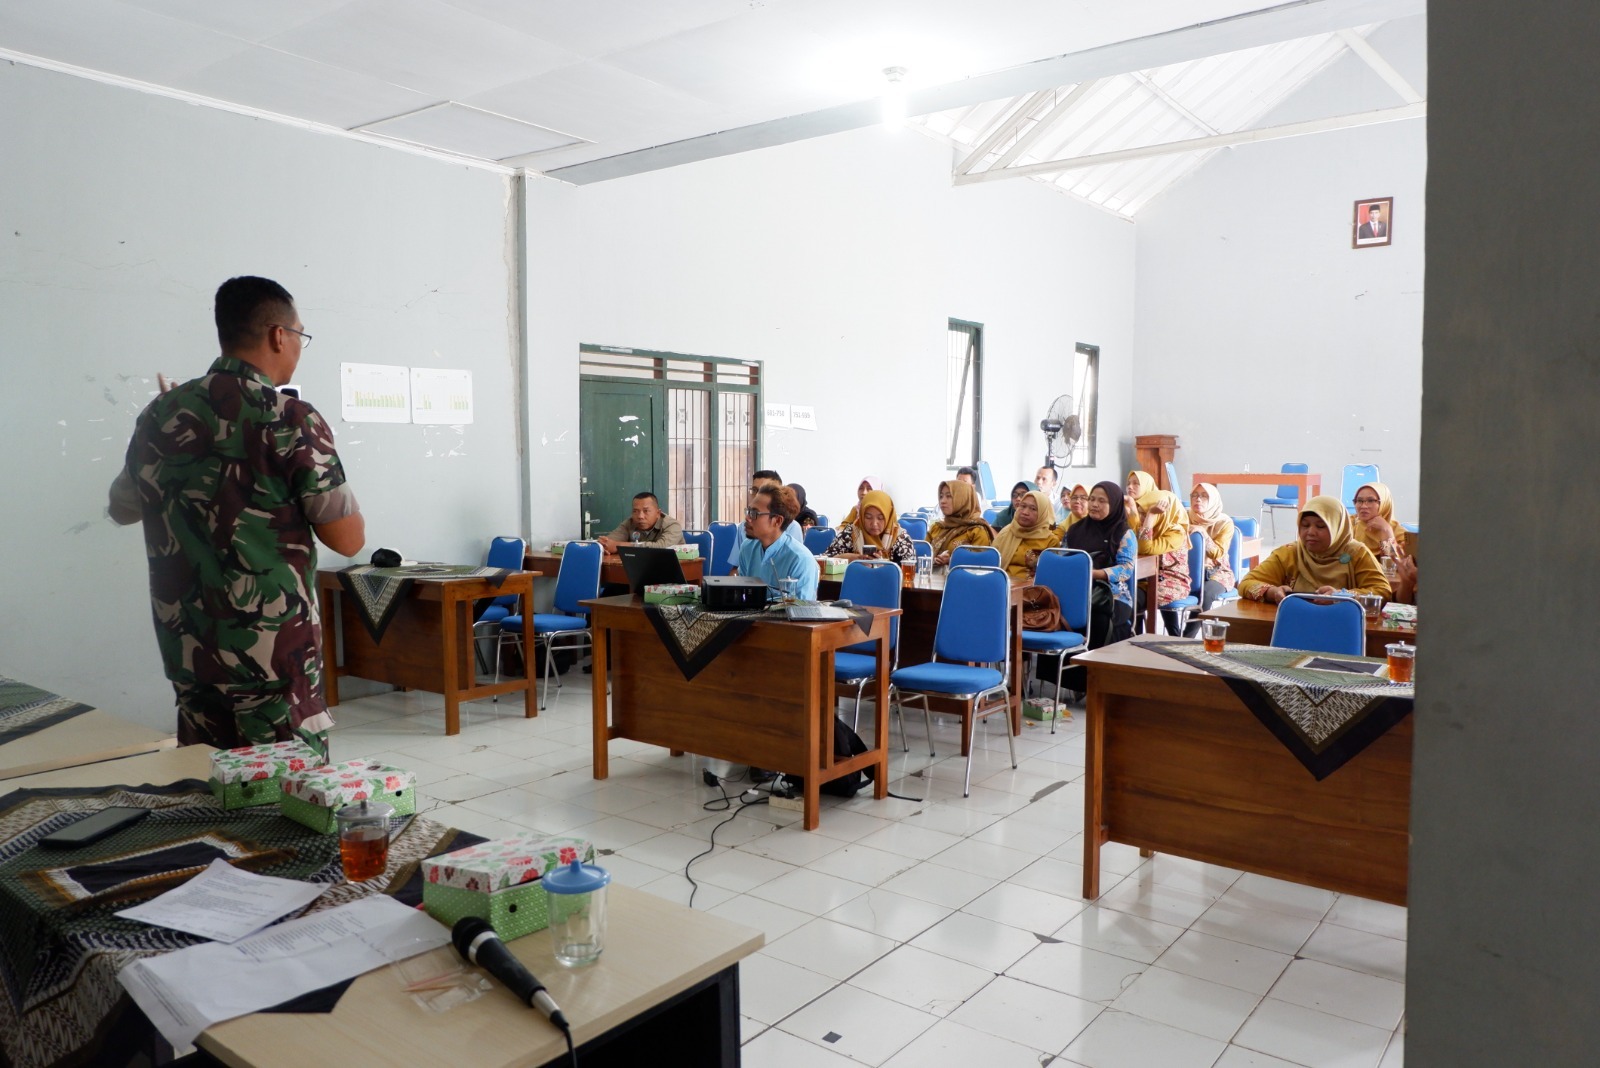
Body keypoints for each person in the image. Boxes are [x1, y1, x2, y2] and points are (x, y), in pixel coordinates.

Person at [107, 276, 363, 757]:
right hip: (272, 652)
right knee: (289, 785)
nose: (299, 348)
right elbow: (348, 539)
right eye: (300, 336)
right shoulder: (291, 417)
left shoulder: (161, 414)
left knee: (207, 776)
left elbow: (122, 508)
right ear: (279, 335)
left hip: (189, 644)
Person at [1238, 495, 1393, 603]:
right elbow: (1247, 583)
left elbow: (1382, 591)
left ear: (1337, 528)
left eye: (1320, 526)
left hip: (1343, 625)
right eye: (1305, 525)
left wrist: (1342, 596)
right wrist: (1272, 592)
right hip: (1296, 622)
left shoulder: (1357, 553)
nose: (1310, 532)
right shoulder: (1290, 552)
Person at [1065, 481, 1138, 649]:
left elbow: (1126, 569)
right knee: (1053, 611)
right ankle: (1060, 666)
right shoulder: (1075, 530)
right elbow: (1064, 558)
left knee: (1097, 618)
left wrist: (1095, 574)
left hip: (1112, 595)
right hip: (1078, 590)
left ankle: (1092, 664)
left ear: (1115, 504)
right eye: (1091, 499)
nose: (1094, 504)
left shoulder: (1123, 533)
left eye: (1102, 501)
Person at [735, 483, 818, 600]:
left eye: (754, 513)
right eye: (748, 511)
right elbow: (742, 596)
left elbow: (801, 608)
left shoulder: (800, 559)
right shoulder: (747, 548)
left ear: (777, 521)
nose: (747, 518)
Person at [1127, 469, 1190, 614]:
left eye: (1145, 512)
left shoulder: (1176, 533)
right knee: (1117, 595)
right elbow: (1131, 542)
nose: (1142, 517)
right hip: (1143, 579)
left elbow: (1144, 549)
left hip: (1170, 582)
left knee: (1129, 599)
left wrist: (1151, 515)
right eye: (1142, 512)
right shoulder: (1146, 526)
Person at [1187, 482, 1237, 625]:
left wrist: (1203, 533)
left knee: (1206, 593)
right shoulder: (1184, 516)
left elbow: (1218, 553)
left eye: (1204, 496)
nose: (1198, 499)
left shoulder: (1224, 522)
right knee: (1165, 589)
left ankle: (1187, 636)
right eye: (1195, 495)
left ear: (1213, 499)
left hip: (1217, 571)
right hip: (1187, 570)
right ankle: (1174, 632)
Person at [826, 489, 915, 564]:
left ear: (888, 517)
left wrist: (883, 565)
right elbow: (826, 560)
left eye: (880, 518)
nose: (874, 523)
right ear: (861, 515)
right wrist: (853, 559)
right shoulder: (851, 532)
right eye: (868, 517)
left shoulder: (900, 538)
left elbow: (908, 569)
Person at [991, 488, 1061, 578]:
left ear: (1042, 513)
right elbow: (991, 563)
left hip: (1032, 586)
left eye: (1033, 509)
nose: (1025, 512)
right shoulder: (1007, 532)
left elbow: (1049, 576)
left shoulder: (1050, 541)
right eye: (1023, 506)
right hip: (1001, 582)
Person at [927, 479, 994, 564]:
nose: (942, 501)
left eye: (949, 496)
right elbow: (921, 555)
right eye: (941, 496)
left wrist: (952, 561)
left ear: (963, 499)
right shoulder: (937, 527)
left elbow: (979, 564)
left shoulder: (977, 531)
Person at [596, 491, 683, 552]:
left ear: (658, 513)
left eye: (646, 511)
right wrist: (604, 545)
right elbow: (611, 541)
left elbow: (662, 547)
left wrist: (620, 546)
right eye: (635, 511)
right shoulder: (630, 522)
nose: (640, 516)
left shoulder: (673, 525)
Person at [1351, 482, 1400, 557]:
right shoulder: (1349, 524)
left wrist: (1386, 530)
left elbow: (1393, 561)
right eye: (1359, 501)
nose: (1363, 506)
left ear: (1384, 503)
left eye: (1370, 501)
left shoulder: (1397, 532)